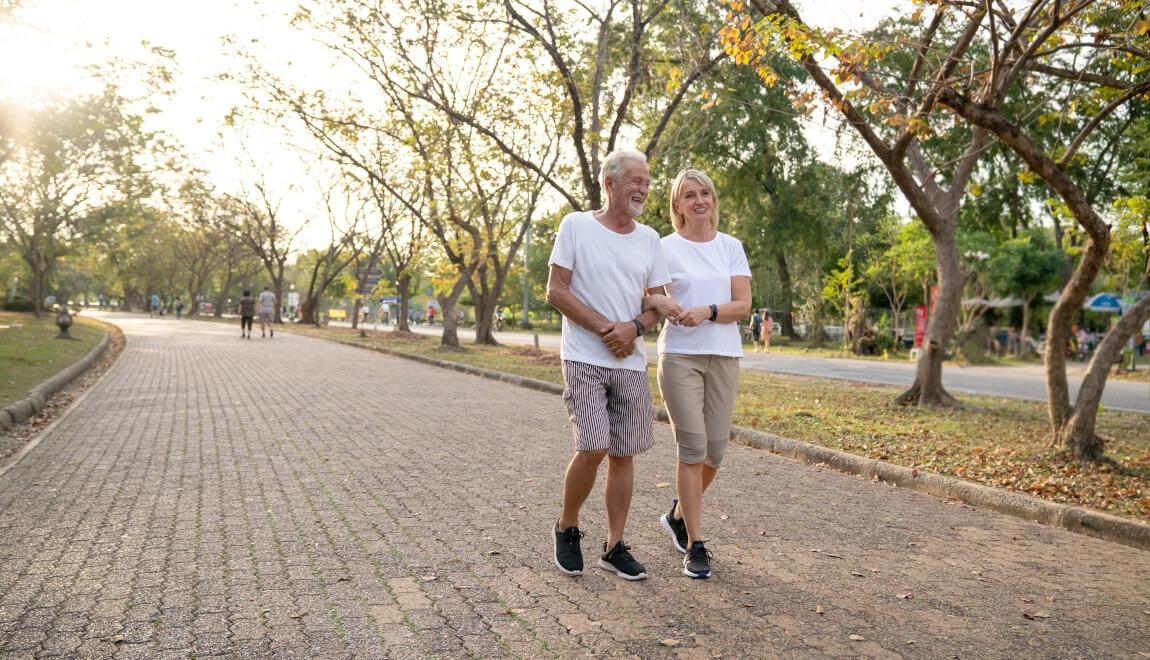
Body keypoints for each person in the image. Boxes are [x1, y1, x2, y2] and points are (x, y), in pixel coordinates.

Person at [548, 149, 670, 581]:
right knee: (593, 445)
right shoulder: (576, 226)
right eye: (635, 180)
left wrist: (634, 328)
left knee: (623, 453)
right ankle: (567, 526)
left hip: (630, 364)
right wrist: (607, 329)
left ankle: (614, 545)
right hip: (584, 356)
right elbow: (556, 291)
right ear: (609, 184)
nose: (643, 188)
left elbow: (658, 304)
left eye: (647, 181)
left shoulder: (650, 239)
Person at [643, 168, 751, 579]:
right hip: (681, 357)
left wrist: (707, 311)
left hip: (723, 355)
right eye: (689, 195)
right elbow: (647, 292)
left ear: (713, 200)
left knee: (715, 453)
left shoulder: (730, 247)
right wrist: (666, 304)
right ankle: (695, 543)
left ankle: (675, 514)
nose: (699, 200)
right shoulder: (663, 248)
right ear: (677, 206)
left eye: (705, 192)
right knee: (692, 449)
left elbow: (743, 304)